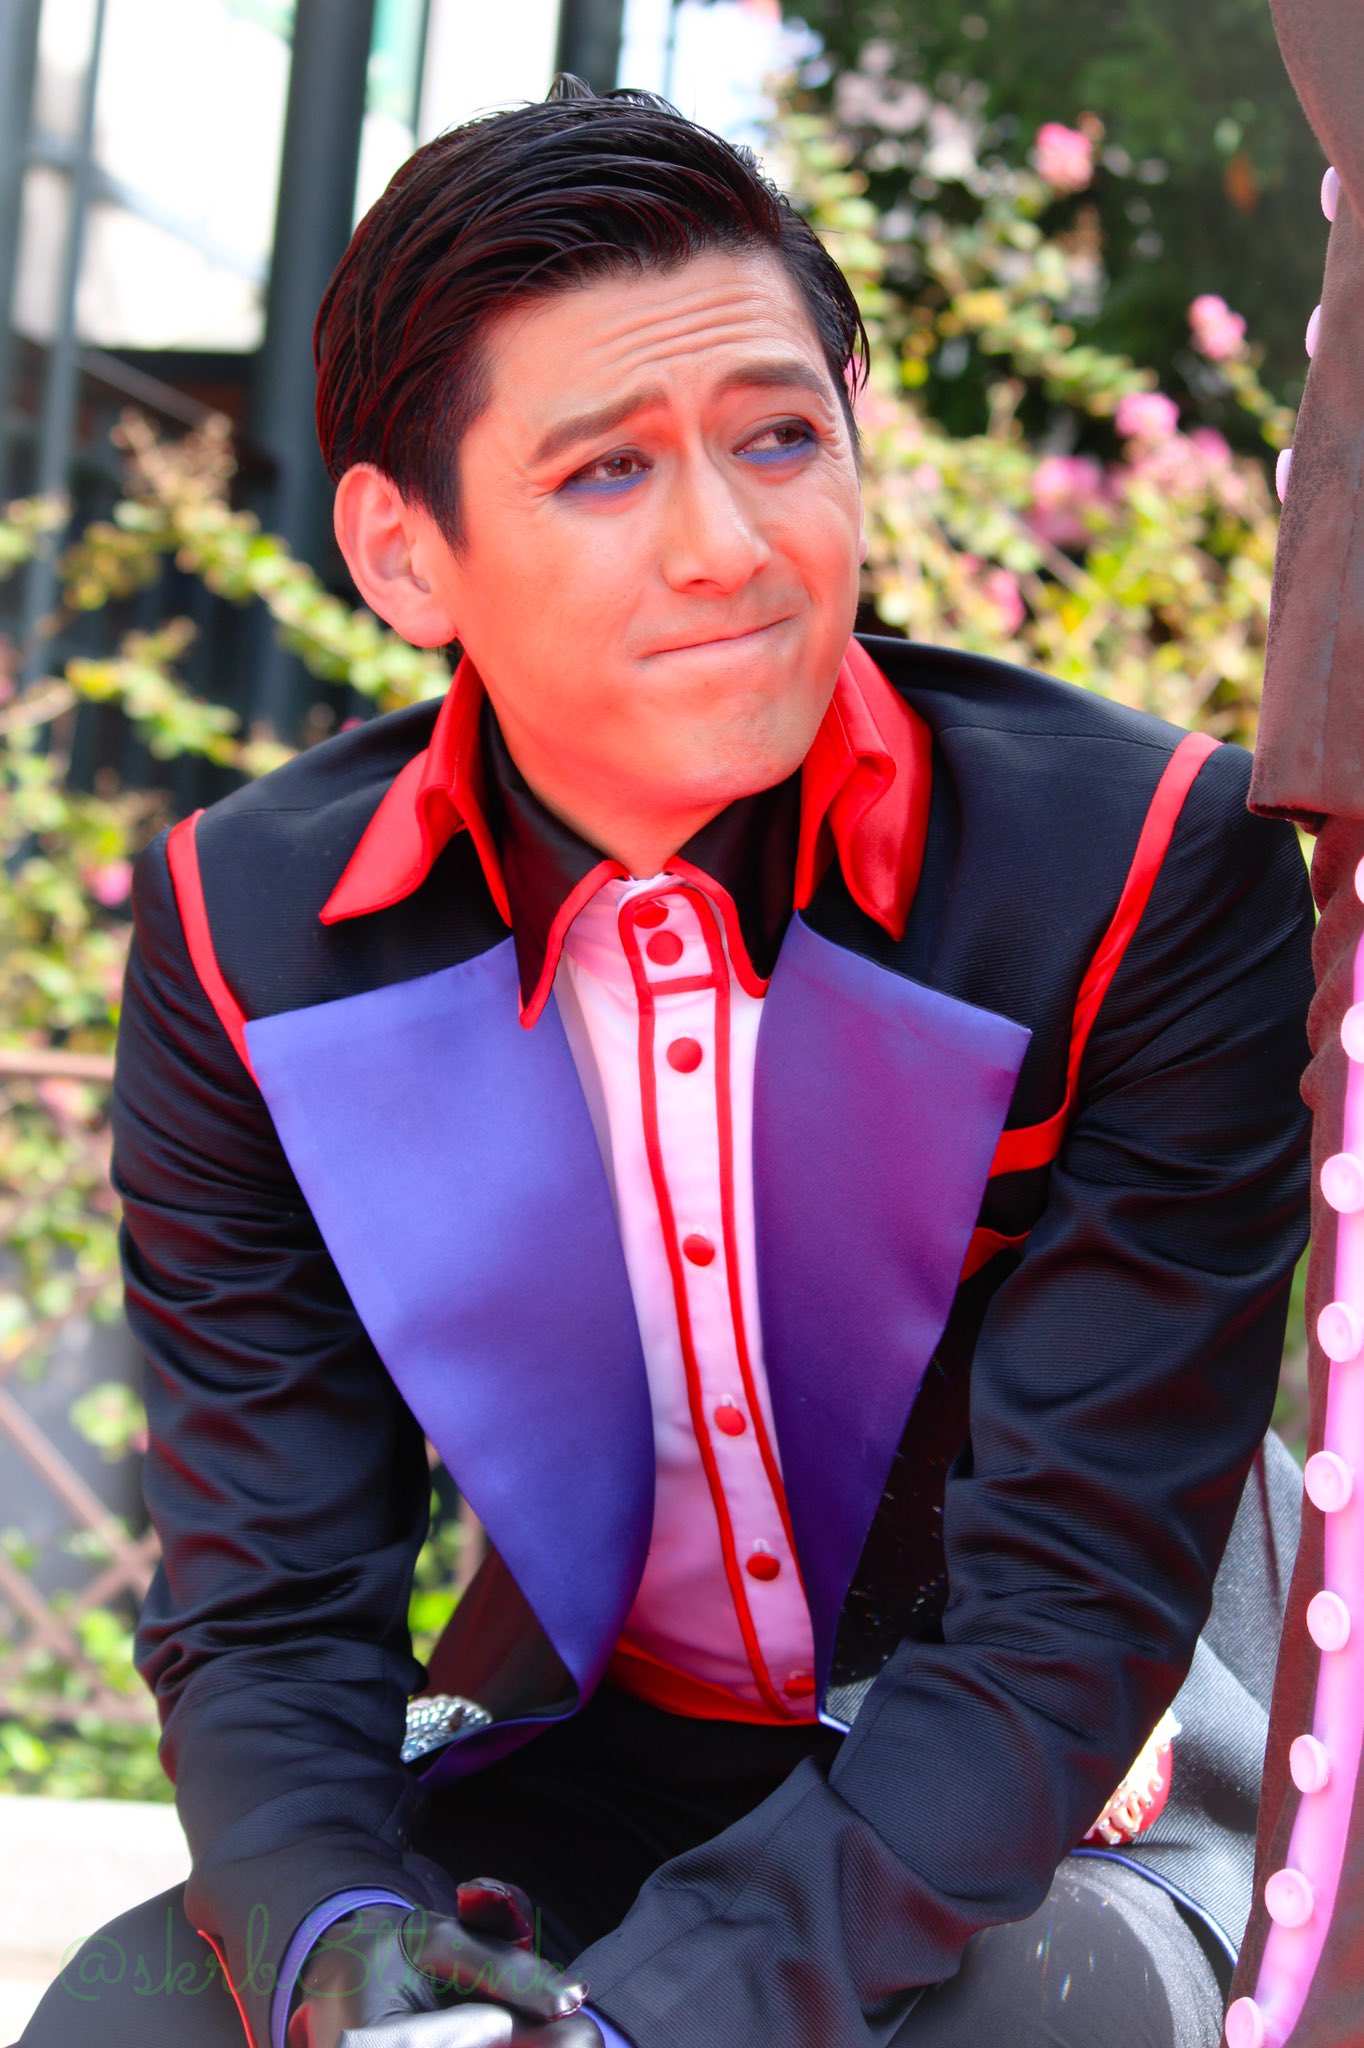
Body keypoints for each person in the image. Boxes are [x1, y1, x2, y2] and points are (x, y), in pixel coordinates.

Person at [19, 77, 1313, 2048]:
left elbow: (1065, 1619)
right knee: (141, 2015)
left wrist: (649, 2022)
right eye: (606, 471)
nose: (729, 545)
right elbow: (269, 1605)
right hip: (591, 1743)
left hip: (1041, 1790)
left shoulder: (1137, 868)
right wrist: (344, 1948)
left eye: (779, 437)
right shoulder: (251, 934)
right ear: (403, 554)